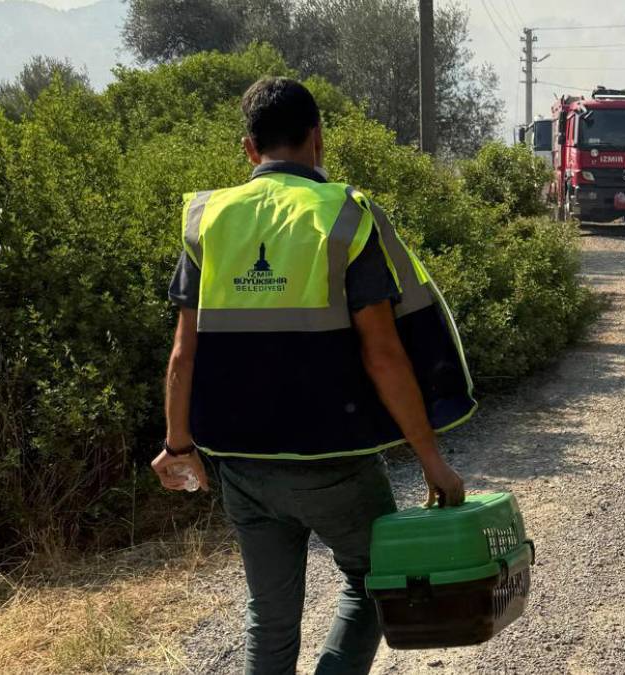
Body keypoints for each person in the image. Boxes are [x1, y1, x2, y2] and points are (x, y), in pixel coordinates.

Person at [150, 76, 476, 674]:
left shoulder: (209, 219)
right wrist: (431, 458)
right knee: (375, 580)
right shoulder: (344, 216)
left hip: (243, 466)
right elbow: (383, 354)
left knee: (269, 618)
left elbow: (182, 354)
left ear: (249, 148)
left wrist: (178, 446)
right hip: (335, 463)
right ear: (318, 138)